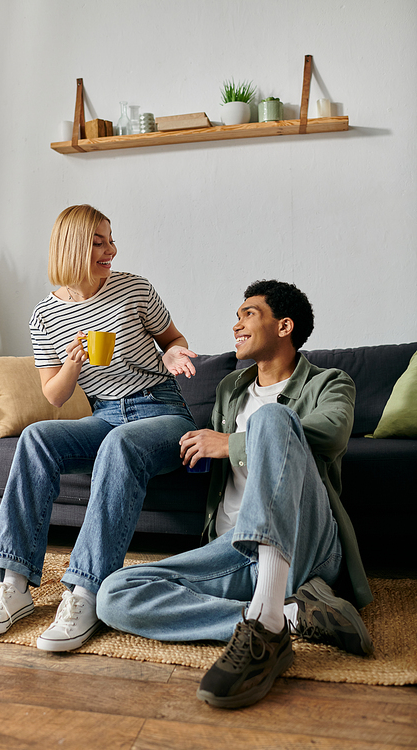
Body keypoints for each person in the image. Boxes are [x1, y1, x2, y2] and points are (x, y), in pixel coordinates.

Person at [96, 279, 374, 709]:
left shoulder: (331, 382)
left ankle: (265, 625)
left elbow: (331, 435)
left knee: (273, 419)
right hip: (233, 549)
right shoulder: (230, 389)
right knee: (113, 595)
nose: (236, 326)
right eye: (236, 316)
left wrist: (230, 443)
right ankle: (292, 616)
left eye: (249, 314)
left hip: (306, 542)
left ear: (284, 326)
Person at [0, 204, 198, 652]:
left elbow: (173, 340)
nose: (111, 249)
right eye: (99, 241)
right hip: (104, 414)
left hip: (161, 411)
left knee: (122, 444)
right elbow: (54, 395)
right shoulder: (44, 316)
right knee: (36, 438)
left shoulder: (135, 288)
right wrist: (72, 363)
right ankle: (13, 584)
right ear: (72, 246)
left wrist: (172, 354)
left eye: (111, 239)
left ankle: (85, 592)